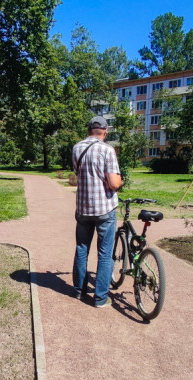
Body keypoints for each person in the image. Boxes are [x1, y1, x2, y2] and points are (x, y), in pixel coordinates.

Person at [71, 115, 123, 308]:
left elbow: (79, 173)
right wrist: (120, 180)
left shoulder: (77, 148)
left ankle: (78, 291)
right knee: (105, 253)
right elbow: (114, 183)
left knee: (82, 249)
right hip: (104, 210)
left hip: (83, 208)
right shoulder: (107, 150)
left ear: (88, 130)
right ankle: (100, 298)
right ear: (105, 131)